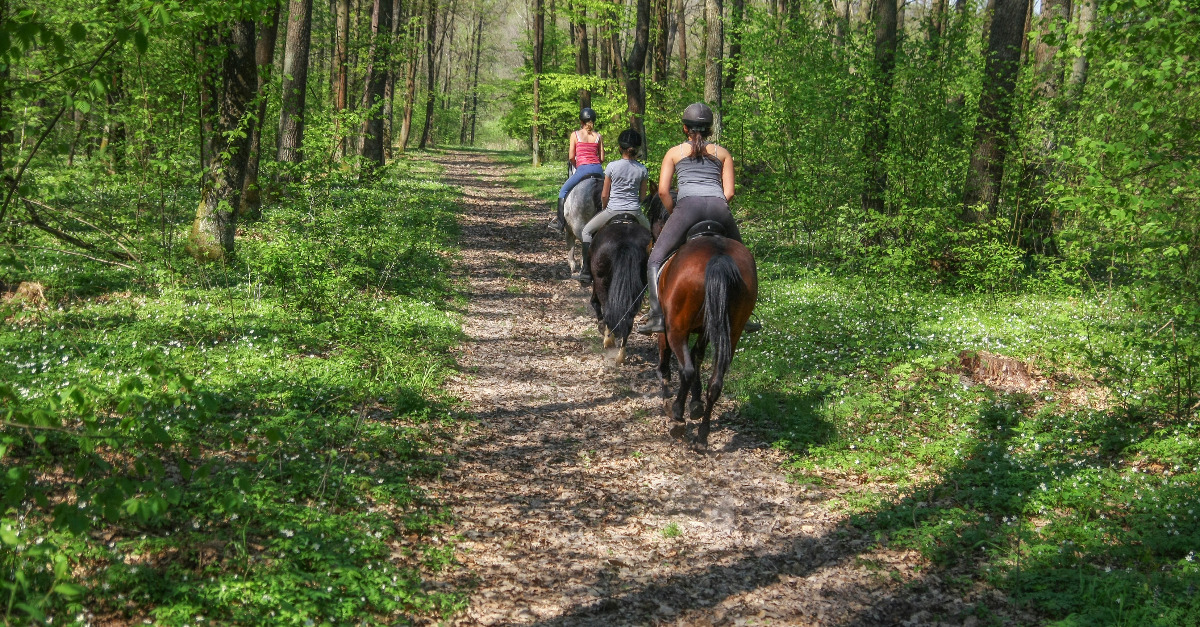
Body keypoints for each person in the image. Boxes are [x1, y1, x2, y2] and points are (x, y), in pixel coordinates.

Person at [638, 102, 758, 334]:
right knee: (745, 259)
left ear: (685, 129)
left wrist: (677, 213)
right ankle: (747, 314)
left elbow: (663, 191)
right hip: (718, 208)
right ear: (710, 129)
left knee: (654, 259)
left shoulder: (674, 153)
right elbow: (730, 192)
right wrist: (717, 207)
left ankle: (657, 316)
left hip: (687, 208)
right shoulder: (722, 153)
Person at [572, 129, 653, 284]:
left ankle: (586, 271)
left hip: (612, 210)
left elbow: (604, 195)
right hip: (635, 212)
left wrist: (604, 208)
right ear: (637, 149)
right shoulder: (642, 169)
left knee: (587, 231)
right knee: (655, 238)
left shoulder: (611, 166)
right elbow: (642, 197)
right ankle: (651, 274)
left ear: (619, 148)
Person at [549, 108, 605, 232]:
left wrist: (578, 164)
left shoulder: (575, 135)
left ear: (581, 121)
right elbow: (602, 157)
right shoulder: (598, 136)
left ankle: (559, 223)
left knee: (563, 191)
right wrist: (595, 164)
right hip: (598, 170)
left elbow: (571, 156)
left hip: (583, 169)